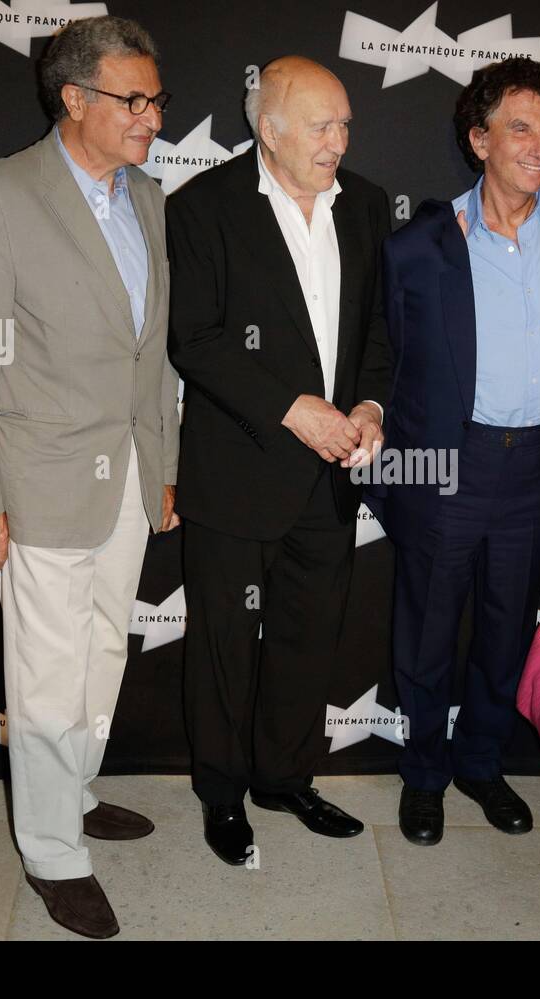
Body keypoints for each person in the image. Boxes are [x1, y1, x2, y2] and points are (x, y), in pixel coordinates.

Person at [0, 16, 179, 938]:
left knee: (104, 650)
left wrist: (161, 464)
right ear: (74, 99)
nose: (152, 117)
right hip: (35, 480)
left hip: (125, 476)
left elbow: (149, 352)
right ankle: (50, 851)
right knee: (44, 672)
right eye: (134, 99)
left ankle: (71, 793)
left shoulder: (147, 198)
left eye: (156, 99)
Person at [372, 57, 540, 845]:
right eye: (522, 128)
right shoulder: (427, 241)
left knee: (506, 624)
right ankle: (423, 773)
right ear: (479, 138)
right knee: (427, 625)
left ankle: (482, 762)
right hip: (451, 462)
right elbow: (386, 352)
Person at [165, 57, 392, 865]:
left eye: (345, 125)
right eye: (323, 125)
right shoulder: (202, 208)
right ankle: (223, 794)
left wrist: (367, 406)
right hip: (239, 468)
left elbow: (376, 331)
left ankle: (285, 777)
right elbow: (196, 337)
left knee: (309, 633)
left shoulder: (366, 206)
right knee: (224, 642)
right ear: (271, 129)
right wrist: (293, 409)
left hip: (332, 476)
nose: (340, 140)